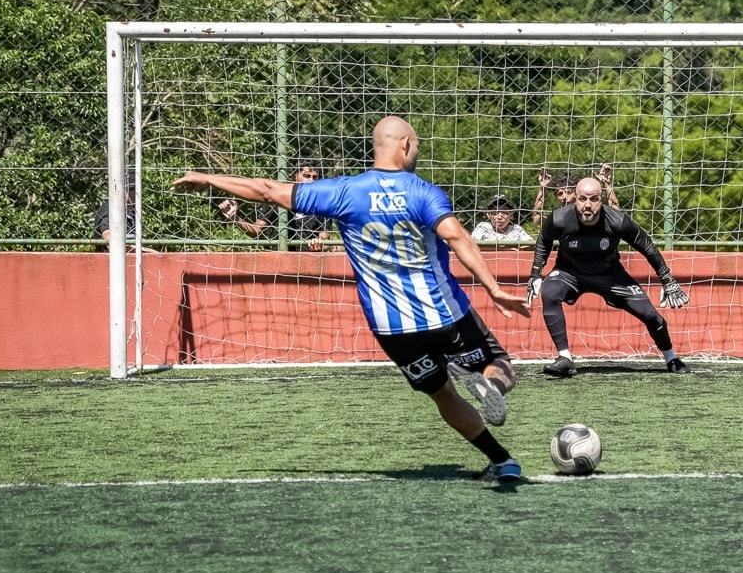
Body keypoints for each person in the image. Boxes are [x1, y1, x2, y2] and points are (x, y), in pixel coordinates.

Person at [172, 115, 532, 484]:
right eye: (417, 145)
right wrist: (493, 288)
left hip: (391, 328)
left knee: (443, 395)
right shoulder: (422, 191)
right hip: (443, 313)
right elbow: (457, 236)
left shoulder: (344, 191)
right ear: (406, 145)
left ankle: (502, 460)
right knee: (499, 363)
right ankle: (491, 385)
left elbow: (267, 190)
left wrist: (209, 178)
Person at [527, 176, 690, 377]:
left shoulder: (617, 221)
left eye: (594, 199)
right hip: (569, 272)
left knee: (650, 315)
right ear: (575, 199)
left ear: (601, 199)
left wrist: (667, 280)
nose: (587, 205)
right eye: (582, 199)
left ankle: (671, 358)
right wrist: (535, 273)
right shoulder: (559, 218)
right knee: (550, 291)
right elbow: (543, 240)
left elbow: (647, 246)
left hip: (610, 275)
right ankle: (565, 358)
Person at [218, 162, 332, 250]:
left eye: (315, 177)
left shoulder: (323, 204)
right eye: (307, 176)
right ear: (295, 176)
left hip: (309, 261)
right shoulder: (277, 198)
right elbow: (255, 230)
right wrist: (235, 218)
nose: (311, 181)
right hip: (279, 260)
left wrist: (319, 243)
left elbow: (325, 238)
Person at [530, 164, 620, 228]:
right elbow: (537, 220)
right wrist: (543, 188)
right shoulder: (558, 218)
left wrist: (607, 184)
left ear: (577, 193)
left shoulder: (591, 211)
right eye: (560, 194)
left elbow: (617, 215)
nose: (565, 197)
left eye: (569, 192)